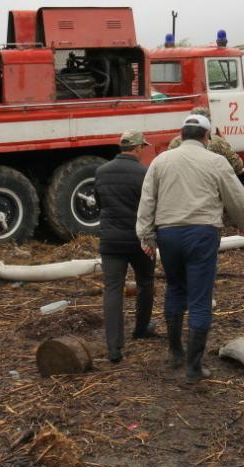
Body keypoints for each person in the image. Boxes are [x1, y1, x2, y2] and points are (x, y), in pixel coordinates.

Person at [137, 114, 244, 383]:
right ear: (206, 136)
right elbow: (236, 196)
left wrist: (146, 236)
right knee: (200, 299)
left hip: (168, 234)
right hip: (202, 233)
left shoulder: (161, 161)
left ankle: (176, 353)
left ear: (182, 134)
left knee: (175, 289)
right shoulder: (215, 161)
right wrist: (243, 222)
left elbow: (147, 200)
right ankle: (194, 366)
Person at [94, 130, 157, 363]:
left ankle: (114, 347)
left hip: (110, 241)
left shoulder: (100, 172)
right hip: (139, 240)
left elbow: (99, 203)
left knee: (112, 290)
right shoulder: (144, 173)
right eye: (144, 147)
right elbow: (151, 206)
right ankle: (141, 329)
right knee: (146, 281)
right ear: (138, 148)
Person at [167, 107, 244, 174]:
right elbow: (238, 167)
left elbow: (169, 168)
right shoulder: (218, 142)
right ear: (208, 124)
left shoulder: (176, 142)